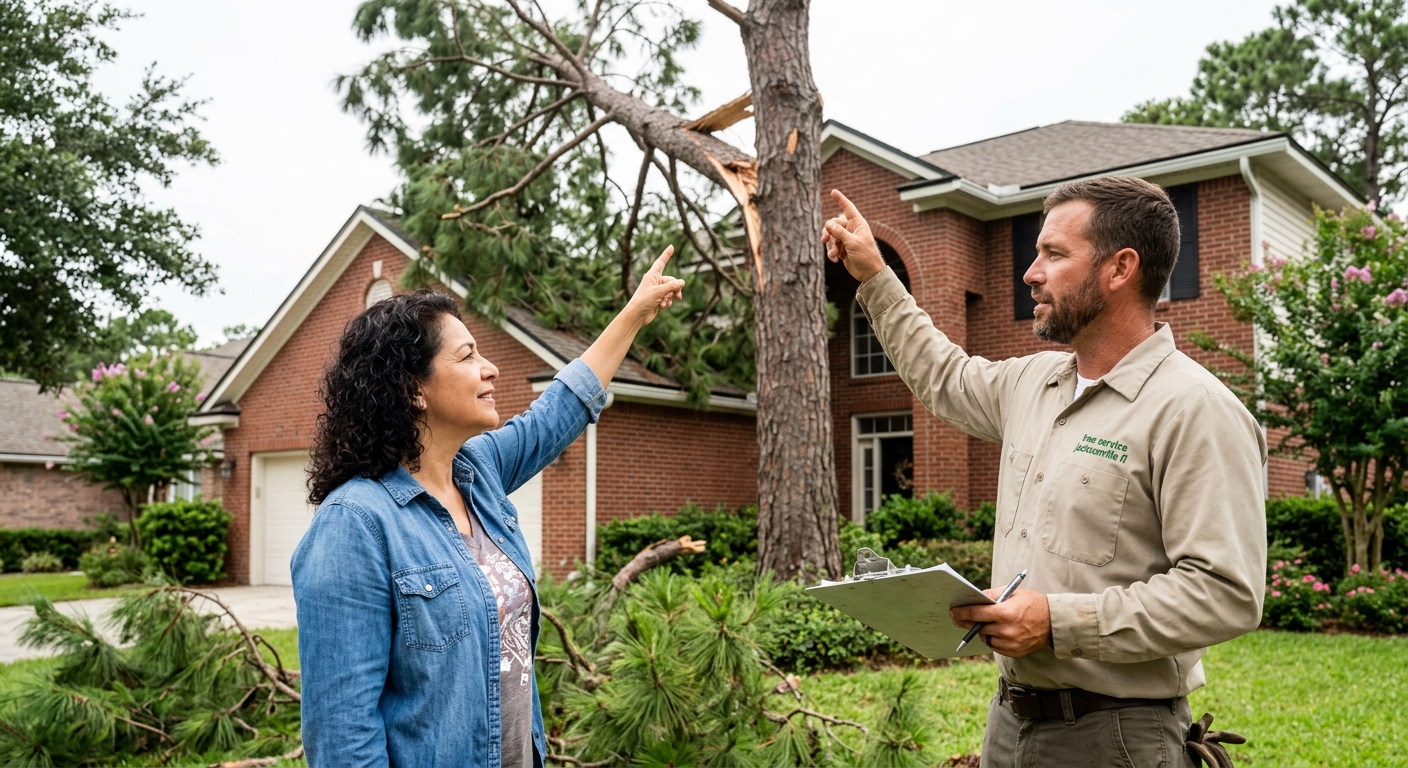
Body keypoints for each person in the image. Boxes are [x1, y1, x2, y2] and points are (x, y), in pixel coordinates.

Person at [822, 177, 1266, 767]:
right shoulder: (1035, 382)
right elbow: (942, 375)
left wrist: (1057, 622)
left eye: (1054, 254)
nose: (1030, 273)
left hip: (1115, 739)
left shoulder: (1195, 410)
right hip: (1007, 724)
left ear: (1120, 268)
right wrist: (876, 277)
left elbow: (1226, 594)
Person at [292, 247, 685, 767]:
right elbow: (342, 738)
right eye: (467, 356)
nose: (491, 368)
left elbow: (560, 408)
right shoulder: (355, 524)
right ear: (413, 389)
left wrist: (633, 314)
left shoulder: (477, 473)